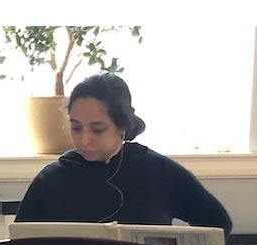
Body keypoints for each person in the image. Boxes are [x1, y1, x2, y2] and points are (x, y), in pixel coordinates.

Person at [16, 73, 233, 235]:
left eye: (98, 129)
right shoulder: (50, 180)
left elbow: (218, 223)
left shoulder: (158, 171)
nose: (84, 139)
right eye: (76, 127)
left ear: (122, 126)